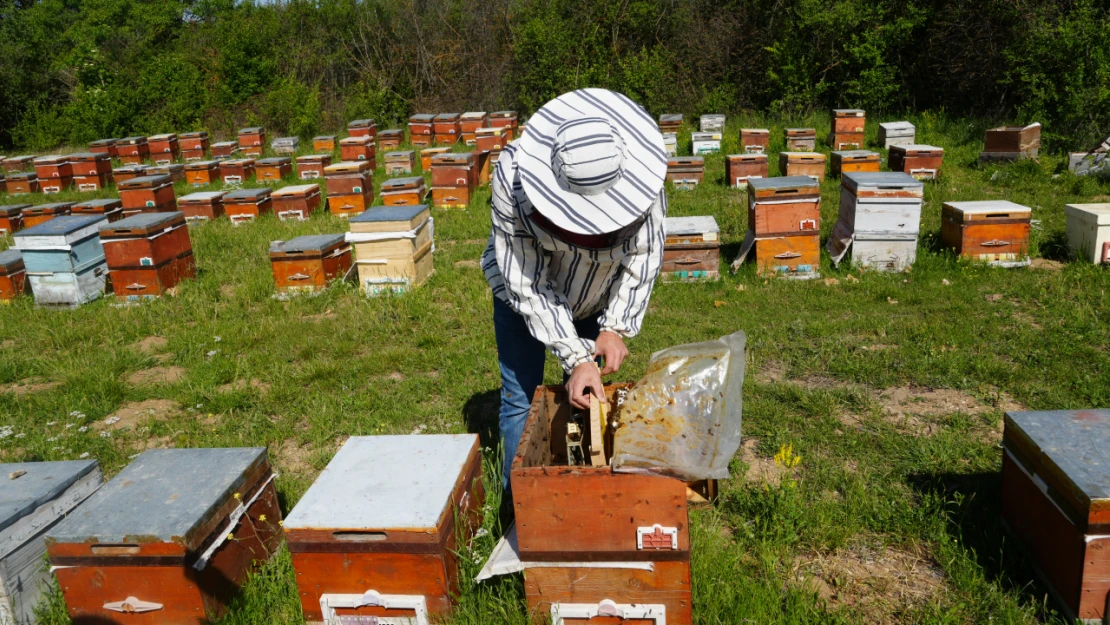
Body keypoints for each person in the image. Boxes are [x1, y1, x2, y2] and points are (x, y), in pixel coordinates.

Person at [481, 88, 669, 486]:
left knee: (588, 398)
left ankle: (586, 495)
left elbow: (646, 253)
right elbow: (525, 282)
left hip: (597, 295)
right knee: (521, 400)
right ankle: (517, 515)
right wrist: (575, 355)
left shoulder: (641, 174)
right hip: (523, 299)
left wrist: (613, 326)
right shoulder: (512, 179)